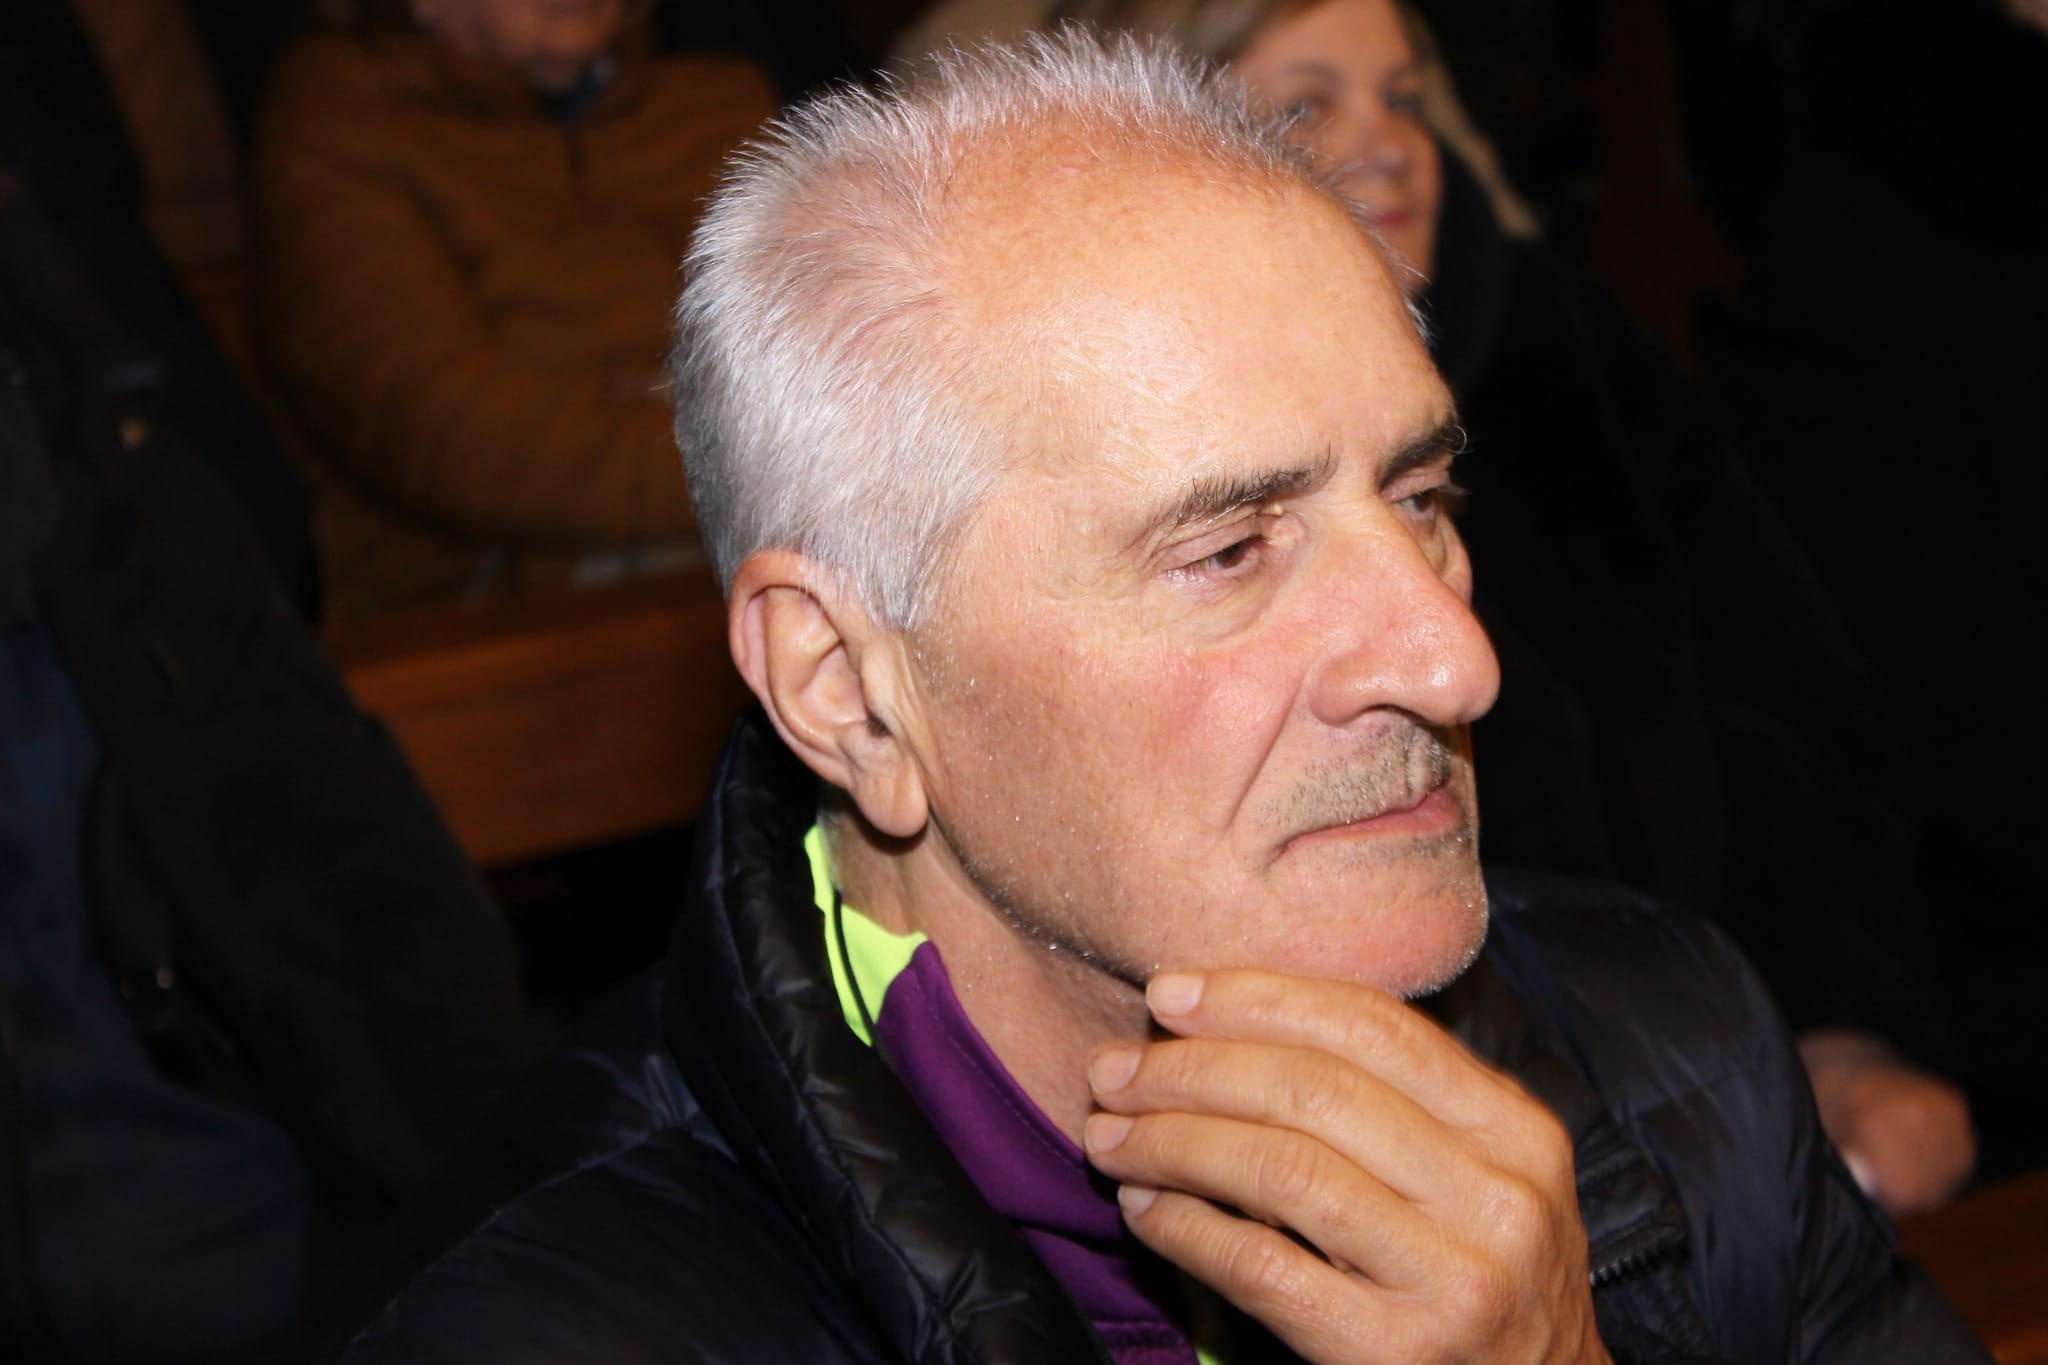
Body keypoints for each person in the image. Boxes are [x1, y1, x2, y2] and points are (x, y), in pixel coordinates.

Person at [315, 29, 1987, 1363]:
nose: (1450, 656)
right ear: (848, 691)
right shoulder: (534, 1325)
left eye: (1419, 498)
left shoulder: (1679, 1035)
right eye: (1230, 549)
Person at [1045, 0, 1977, 1219]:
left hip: (1698, 1055)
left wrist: (1842, 1027)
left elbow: (1788, 706)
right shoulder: (1107, 462)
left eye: (1404, 96)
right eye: (1306, 103)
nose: (1387, 144)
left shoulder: (1574, 350)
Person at [250, 0, 776, 623]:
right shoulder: (339, 127)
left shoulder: (718, 99)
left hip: (732, 550)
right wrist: (775, 471)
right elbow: (458, 442)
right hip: (488, 610)